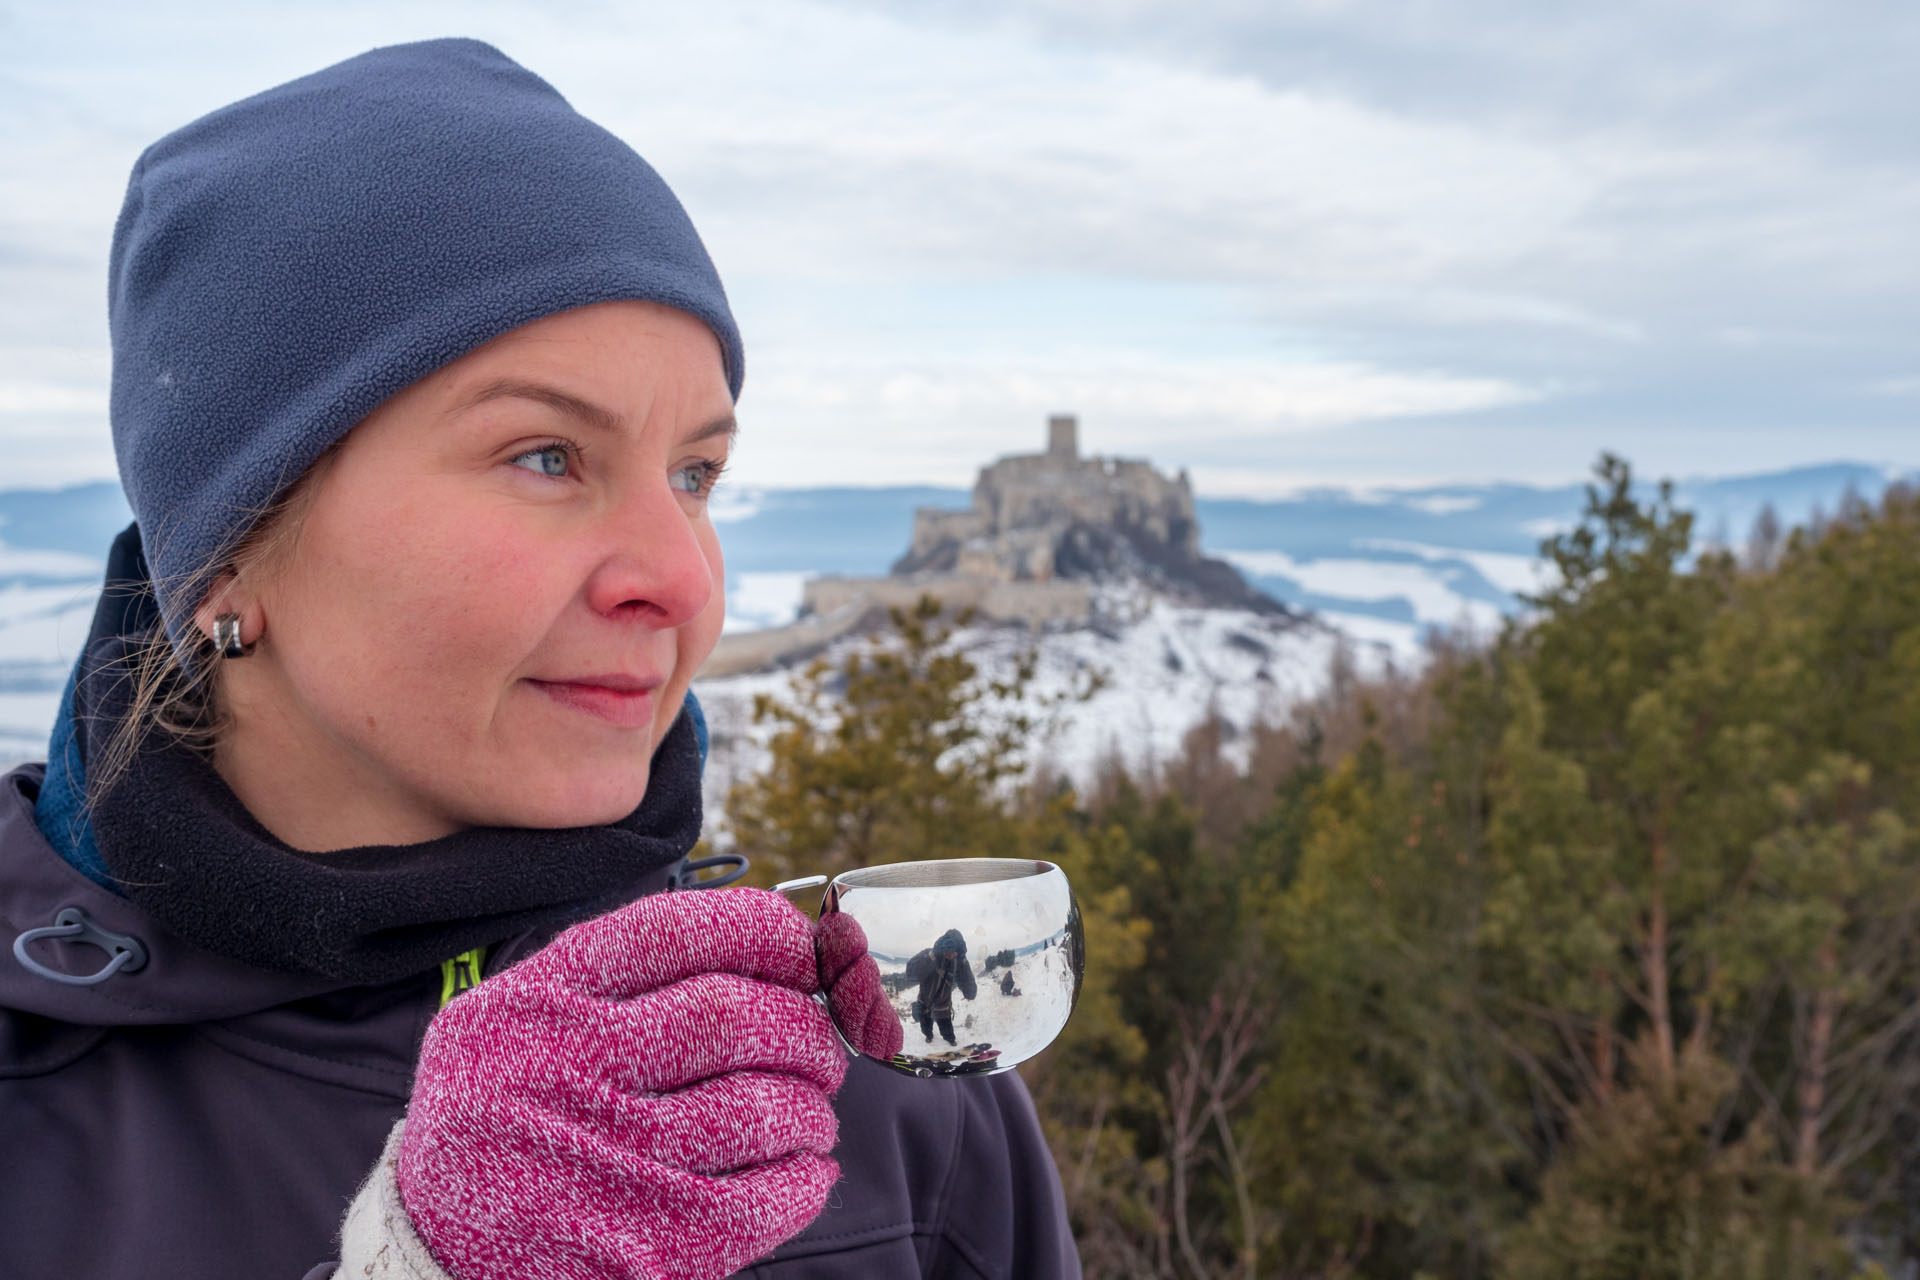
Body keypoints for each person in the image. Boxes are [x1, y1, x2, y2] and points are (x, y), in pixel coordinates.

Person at [0, 38, 1080, 1280]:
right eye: (547, 456)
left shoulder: (864, 1088)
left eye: (696, 474)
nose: (678, 578)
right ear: (230, 550)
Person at [907, 927, 978, 1045]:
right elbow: (910, 974)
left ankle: (950, 1040)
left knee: (946, 1028)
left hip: (943, 1006)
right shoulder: (930, 954)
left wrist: (963, 963)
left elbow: (970, 992)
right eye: (949, 950)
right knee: (925, 1025)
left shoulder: (958, 963)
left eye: (955, 951)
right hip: (924, 1003)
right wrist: (932, 956)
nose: (951, 954)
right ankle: (928, 1036)